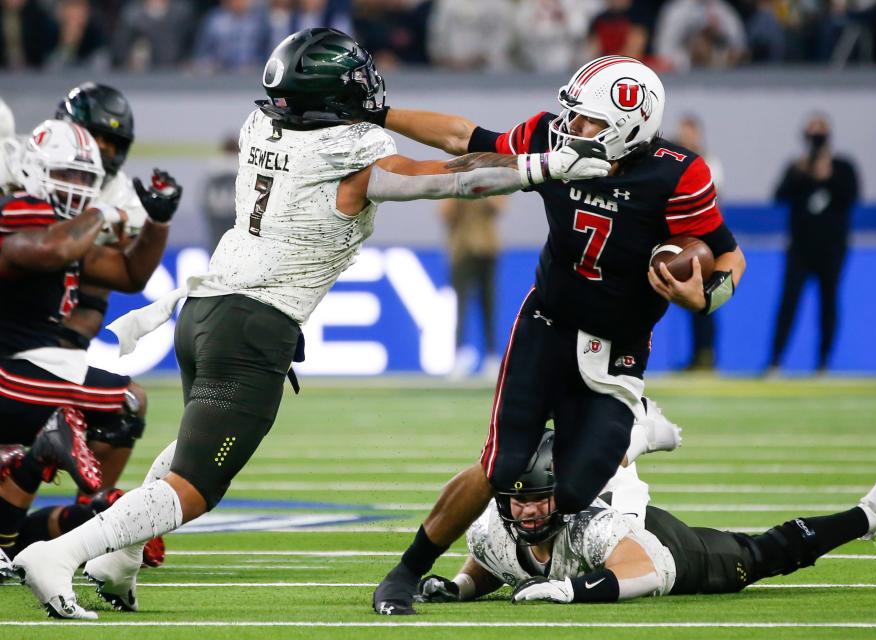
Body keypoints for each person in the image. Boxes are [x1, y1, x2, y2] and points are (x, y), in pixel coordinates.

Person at [11, 28, 611, 620]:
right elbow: (452, 176)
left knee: (192, 442)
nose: (370, 89)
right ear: (333, 95)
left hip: (205, 312)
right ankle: (61, 554)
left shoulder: (261, 127)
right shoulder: (349, 153)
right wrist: (545, 167)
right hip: (251, 323)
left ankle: (120, 558)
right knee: (197, 484)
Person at [372, 55, 747, 615]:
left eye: (591, 122)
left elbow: (727, 256)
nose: (573, 129)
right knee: (503, 466)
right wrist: (379, 113)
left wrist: (707, 296)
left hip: (618, 347)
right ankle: (404, 572)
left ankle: (635, 433)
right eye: (575, 116)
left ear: (630, 124)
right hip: (548, 321)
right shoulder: (552, 133)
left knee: (569, 492)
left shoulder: (677, 173)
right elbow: (461, 137)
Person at [415, 430, 876, 605]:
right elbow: (498, 562)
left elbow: (647, 569)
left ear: (561, 493)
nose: (526, 511)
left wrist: (573, 591)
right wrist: (458, 587)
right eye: (517, 500)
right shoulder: (491, 528)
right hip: (618, 523)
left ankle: (871, 512)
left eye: (538, 499)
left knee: (760, 555)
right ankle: (638, 436)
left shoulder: (592, 525)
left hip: (659, 547)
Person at [0, 118, 179, 582]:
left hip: (25, 365)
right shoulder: (23, 209)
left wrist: (157, 221)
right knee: (121, 402)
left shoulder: (63, 226)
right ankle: (91, 509)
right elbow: (47, 251)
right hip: (8, 370)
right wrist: (103, 212)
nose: (77, 187)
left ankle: (83, 520)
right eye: (67, 175)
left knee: (110, 410)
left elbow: (128, 273)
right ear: (35, 170)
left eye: (85, 178)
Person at [768, 113, 859, 374]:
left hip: (832, 248)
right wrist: (803, 174)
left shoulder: (843, 167)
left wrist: (829, 176)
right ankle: (775, 361)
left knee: (828, 302)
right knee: (789, 303)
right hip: (799, 248)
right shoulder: (797, 167)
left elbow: (851, 197)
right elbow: (779, 196)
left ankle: (823, 362)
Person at [674, 114, 723, 372]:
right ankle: (697, 355)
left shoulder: (708, 163)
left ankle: (706, 354)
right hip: (677, 238)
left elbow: (712, 199)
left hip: (701, 239)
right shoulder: (672, 162)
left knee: (704, 296)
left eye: (689, 132)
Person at [443, 195, 506, 380]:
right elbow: (445, 214)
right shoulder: (454, 183)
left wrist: (482, 191)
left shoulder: (491, 181)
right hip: (461, 250)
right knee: (460, 306)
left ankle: (491, 356)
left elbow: (498, 208)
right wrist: (459, 193)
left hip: (487, 249)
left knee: (488, 305)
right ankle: (459, 355)